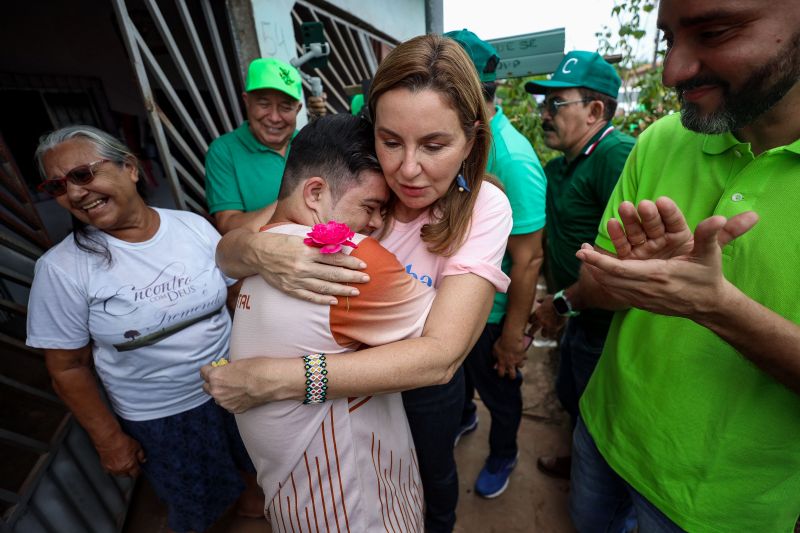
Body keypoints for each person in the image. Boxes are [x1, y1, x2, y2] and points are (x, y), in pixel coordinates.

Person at [202, 33, 514, 532]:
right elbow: (226, 250)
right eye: (390, 141)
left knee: (433, 481)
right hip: (349, 373)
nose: (407, 169)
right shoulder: (361, 183)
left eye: (434, 145)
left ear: (472, 138)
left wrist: (278, 379)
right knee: (375, 479)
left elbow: (440, 356)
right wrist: (259, 248)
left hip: (419, 385)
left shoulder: (484, 208)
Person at [564, 0, 800, 530]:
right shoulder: (664, 139)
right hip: (604, 431)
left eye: (714, 32)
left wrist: (717, 308)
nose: (673, 71)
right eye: (669, 38)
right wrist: (627, 278)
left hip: (714, 507)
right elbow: (594, 282)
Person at [26, 126, 261, 533]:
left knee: (258, 474)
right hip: (163, 418)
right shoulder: (62, 269)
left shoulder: (190, 227)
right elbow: (67, 367)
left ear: (130, 168)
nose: (76, 193)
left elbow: (233, 297)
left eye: (83, 174)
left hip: (235, 389)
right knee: (199, 509)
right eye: (58, 186)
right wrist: (109, 440)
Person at [232, 113, 435, 531]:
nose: (377, 225)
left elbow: (228, 247)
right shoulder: (346, 256)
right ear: (316, 192)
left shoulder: (260, 248)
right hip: (354, 502)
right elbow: (446, 343)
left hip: (293, 498)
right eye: (371, 207)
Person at [524, 51, 635, 480]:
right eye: (544, 104)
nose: (544, 115)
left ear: (595, 110)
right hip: (575, 308)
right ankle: (580, 464)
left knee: (600, 405)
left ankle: (601, 489)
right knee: (573, 392)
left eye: (556, 104)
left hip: (604, 318)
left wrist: (562, 303)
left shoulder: (617, 158)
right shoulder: (563, 165)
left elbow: (629, 257)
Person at [446, 29, 546, 498]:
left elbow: (527, 261)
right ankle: (465, 416)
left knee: (501, 389)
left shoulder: (512, 158)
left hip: (493, 314)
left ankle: (504, 451)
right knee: (460, 377)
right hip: (452, 299)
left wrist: (511, 338)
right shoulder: (459, 142)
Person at [204, 57, 327, 234]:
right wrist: (291, 200)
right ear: (247, 101)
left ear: (298, 109)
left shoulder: (311, 144)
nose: (275, 117)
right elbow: (228, 225)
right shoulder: (224, 151)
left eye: (285, 107)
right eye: (264, 104)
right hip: (263, 256)